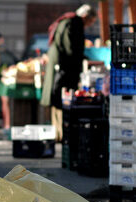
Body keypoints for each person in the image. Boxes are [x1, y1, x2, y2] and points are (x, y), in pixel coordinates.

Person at [40, 4, 97, 141]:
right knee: (61, 100)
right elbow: (71, 49)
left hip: (59, 65)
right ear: (85, 16)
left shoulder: (67, 20)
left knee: (56, 99)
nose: (89, 25)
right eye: (90, 22)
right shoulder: (74, 22)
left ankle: (58, 133)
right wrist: (84, 59)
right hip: (64, 68)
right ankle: (61, 133)